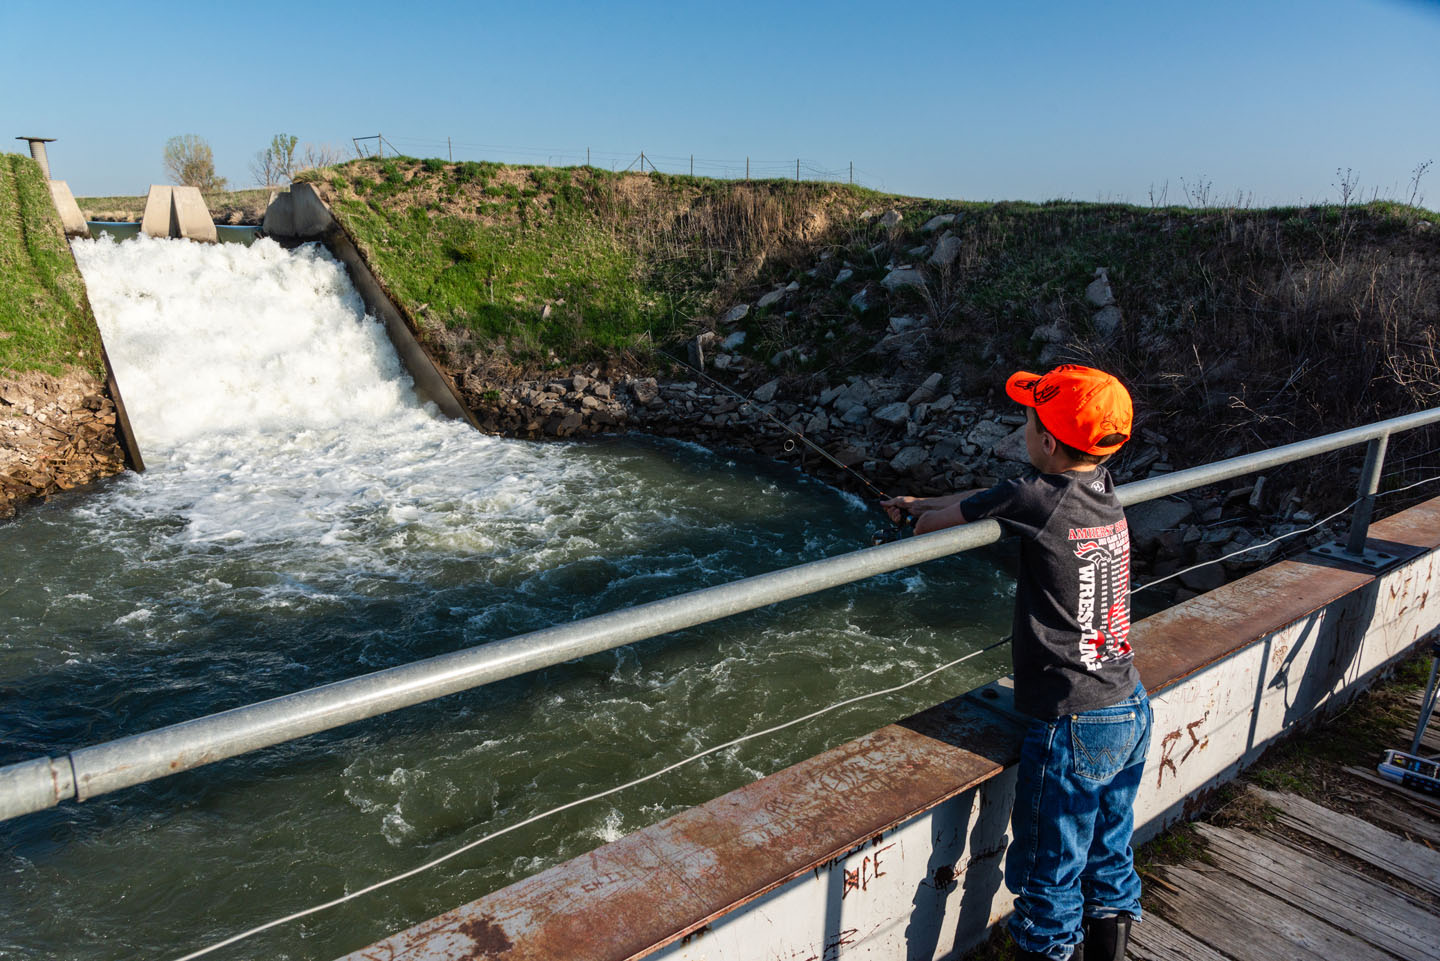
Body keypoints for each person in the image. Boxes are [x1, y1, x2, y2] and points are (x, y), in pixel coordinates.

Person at [882, 364, 1151, 961]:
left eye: (1027, 419)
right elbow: (994, 499)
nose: (1022, 428)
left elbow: (941, 524)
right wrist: (924, 498)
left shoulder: (1033, 496)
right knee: (1108, 857)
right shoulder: (1099, 487)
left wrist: (915, 515)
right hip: (1126, 702)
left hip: (1071, 723)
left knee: (1046, 881)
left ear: (1046, 442)